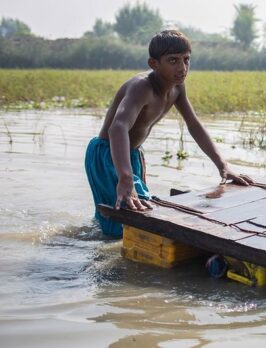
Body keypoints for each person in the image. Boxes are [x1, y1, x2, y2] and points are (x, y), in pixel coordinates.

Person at [85, 30, 253, 237]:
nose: (182, 68)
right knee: (126, 217)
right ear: (154, 64)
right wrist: (125, 176)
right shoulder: (142, 87)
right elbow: (117, 128)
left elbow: (194, 125)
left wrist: (223, 166)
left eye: (186, 60)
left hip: (131, 154)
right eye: (173, 61)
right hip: (108, 154)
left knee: (131, 211)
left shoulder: (177, 88)